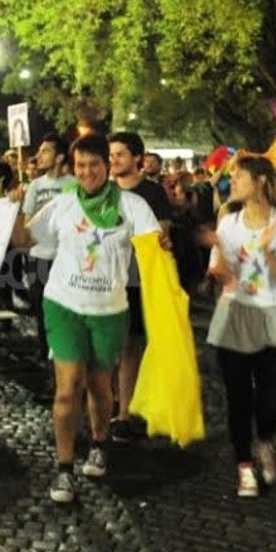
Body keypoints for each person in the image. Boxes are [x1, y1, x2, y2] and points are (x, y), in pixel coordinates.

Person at [23, 134, 161, 503]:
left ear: (107, 165)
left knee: (101, 387)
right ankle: (64, 468)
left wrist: (163, 248)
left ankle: (99, 444)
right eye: (80, 165)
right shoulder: (63, 205)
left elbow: (154, 247)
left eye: (94, 165)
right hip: (63, 304)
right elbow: (24, 237)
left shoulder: (132, 206)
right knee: (68, 386)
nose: (86, 172)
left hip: (109, 310)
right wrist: (5, 212)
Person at [206, 156, 276, 498]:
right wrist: (225, 269)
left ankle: (265, 442)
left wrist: (269, 253)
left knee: (271, 399)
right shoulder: (228, 224)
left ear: (261, 180)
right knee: (238, 396)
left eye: (239, 175)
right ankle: (244, 465)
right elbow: (216, 269)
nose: (232, 181)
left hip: (273, 314)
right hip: (235, 315)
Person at [106, 131, 173, 442]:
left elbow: (162, 234)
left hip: (136, 280)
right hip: (104, 279)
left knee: (130, 346)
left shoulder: (153, 194)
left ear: (136, 159)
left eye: (120, 154)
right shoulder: (102, 191)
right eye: (111, 154)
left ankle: (124, 412)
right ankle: (112, 399)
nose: (113, 160)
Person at [20, 134, 74, 366]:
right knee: (41, 309)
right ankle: (45, 354)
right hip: (38, 258)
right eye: (40, 151)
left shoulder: (74, 184)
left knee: (64, 308)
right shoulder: (35, 185)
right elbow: (27, 221)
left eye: (45, 151)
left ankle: (65, 354)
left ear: (60, 157)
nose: (39, 155)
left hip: (65, 258)